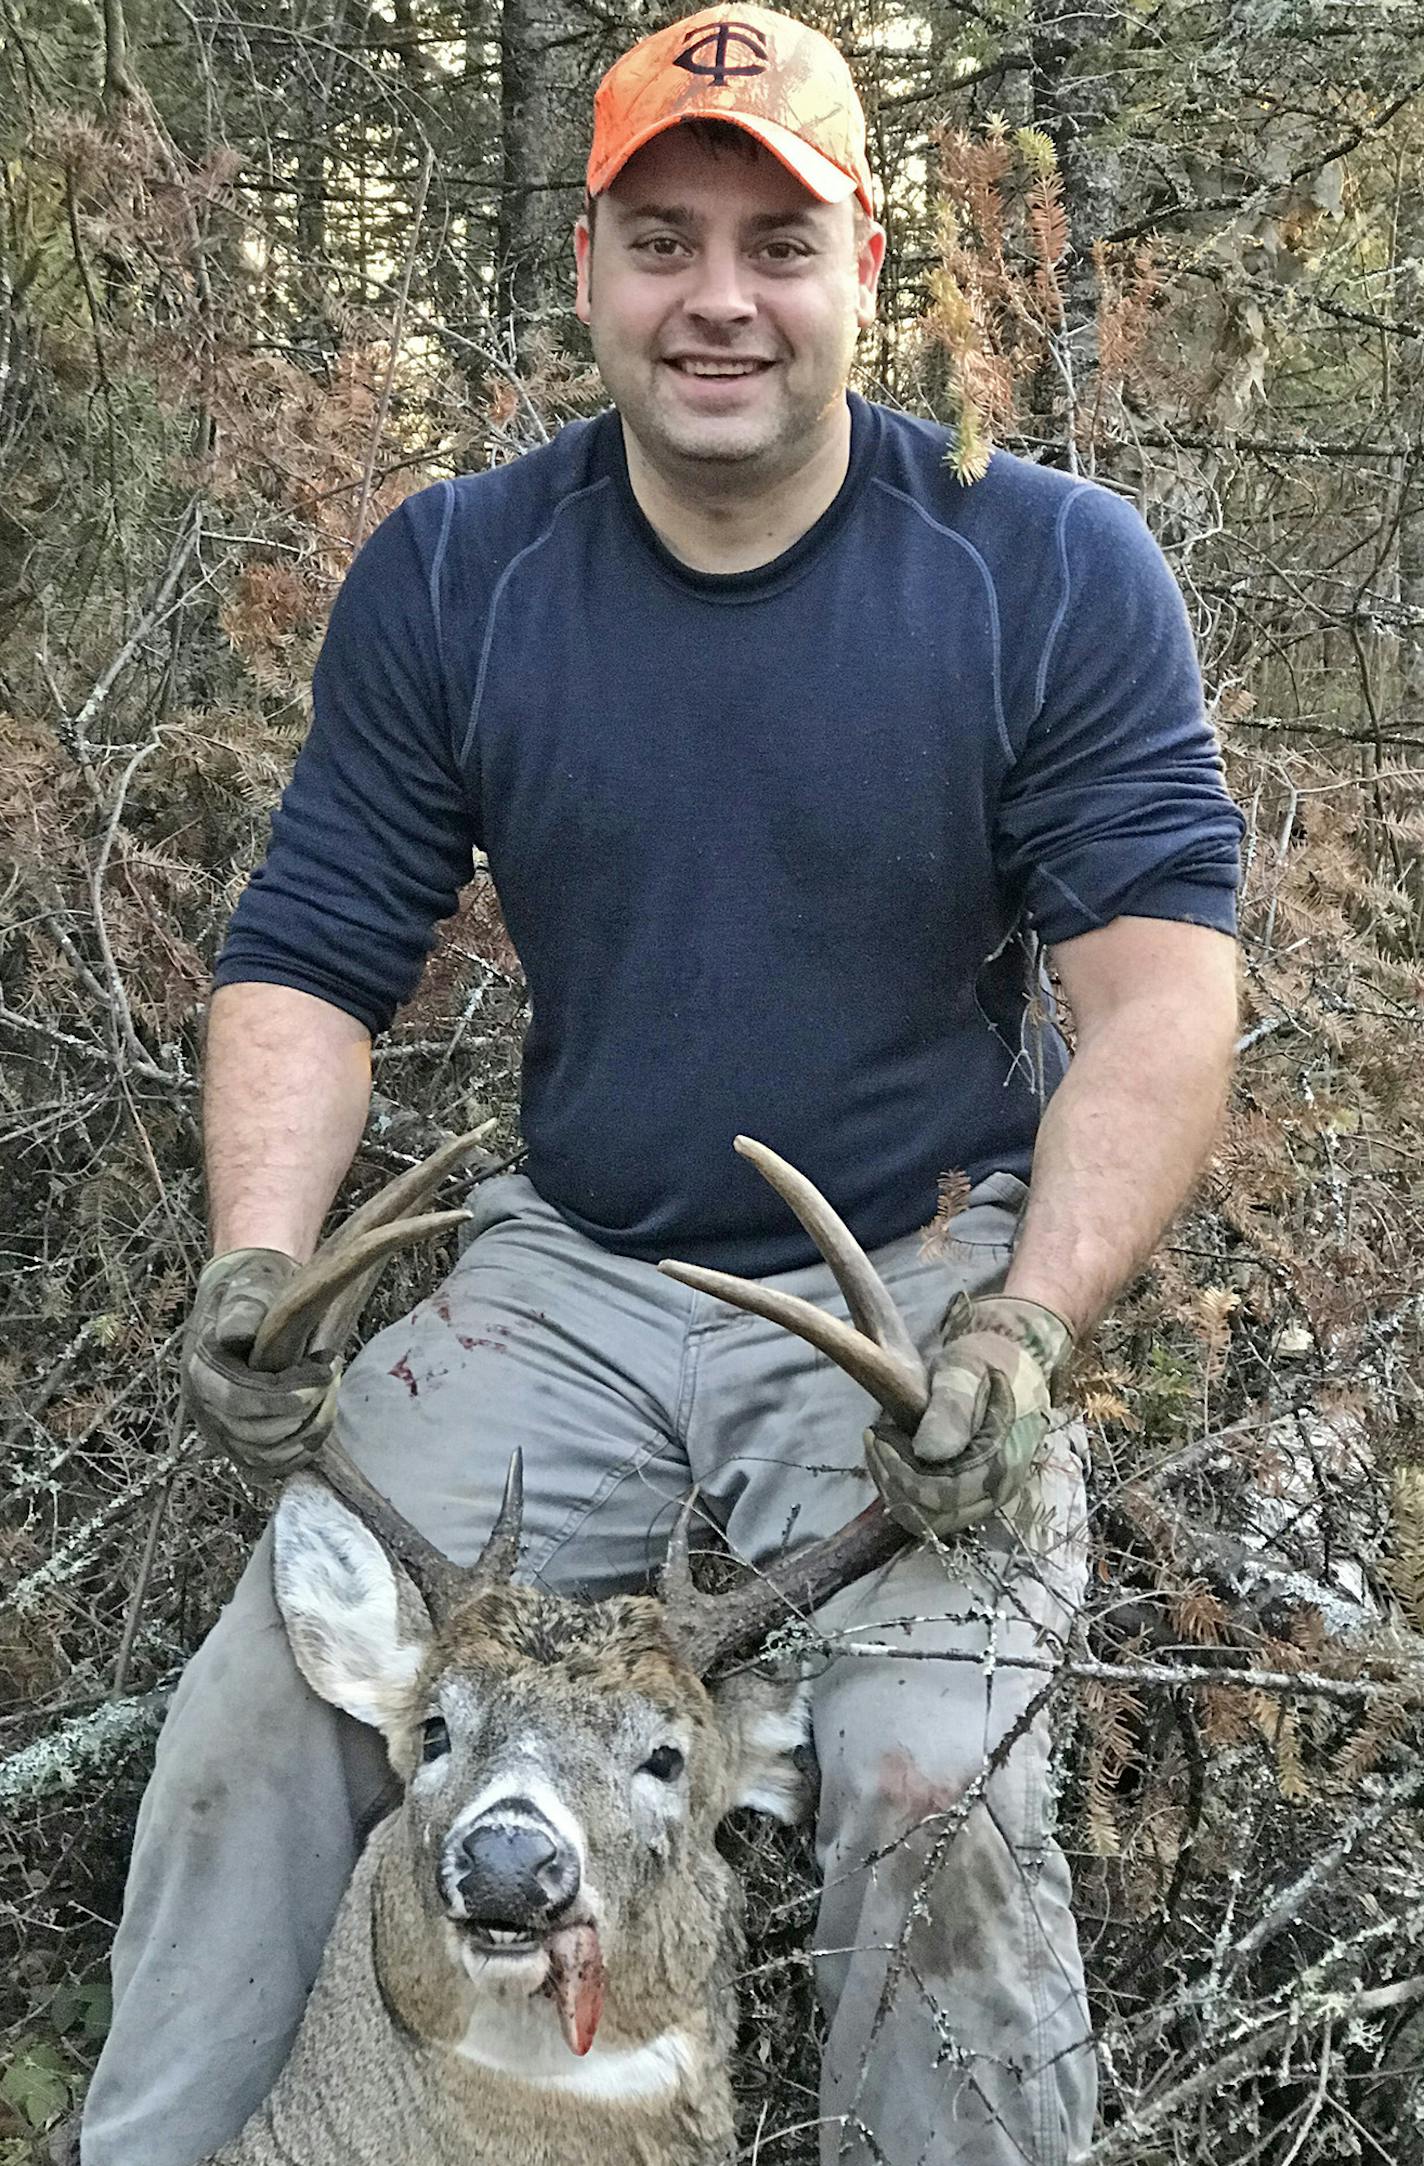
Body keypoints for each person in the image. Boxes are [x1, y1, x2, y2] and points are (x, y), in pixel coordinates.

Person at [80, 8, 1243, 2163]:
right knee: (267, 1722)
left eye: (775, 245)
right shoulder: (463, 572)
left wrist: (1026, 1325)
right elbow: (311, 956)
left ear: (862, 271)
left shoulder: (1039, 574)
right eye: (662, 237)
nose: (719, 298)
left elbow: (1163, 1004)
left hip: (899, 1286)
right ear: (594, 266)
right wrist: (259, 1257)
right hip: (573, 1264)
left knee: (923, 1787)